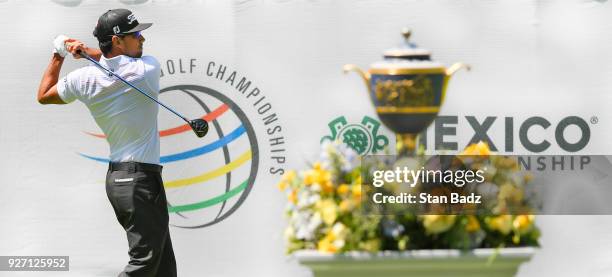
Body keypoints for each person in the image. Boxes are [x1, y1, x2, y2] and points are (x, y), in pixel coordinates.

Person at [36, 9, 177, 277]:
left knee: (163, 267)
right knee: (145, 263)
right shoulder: (147, 69)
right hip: (141, 182)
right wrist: (85, 50)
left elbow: (44, 94)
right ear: (117, 41)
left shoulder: (83, 78)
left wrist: (59, 53)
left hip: (120, 181)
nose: (142, 38)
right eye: (135, 34)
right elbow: (114, 63)